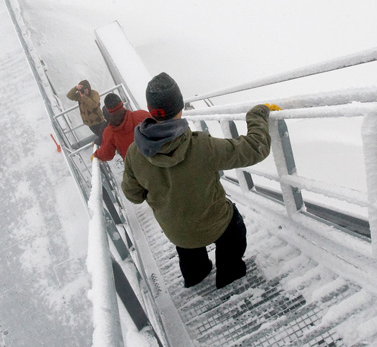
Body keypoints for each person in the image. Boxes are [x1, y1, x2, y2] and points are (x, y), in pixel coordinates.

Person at [122, 72, 278, 290]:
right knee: (234, 228)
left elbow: (133, 196)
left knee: (186, 243)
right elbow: (254, 149)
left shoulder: (134, 153)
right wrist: (258, 115)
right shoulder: (202, 146)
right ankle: (229, 274)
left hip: (176, 230)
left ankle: (196, 276)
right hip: (214, 223)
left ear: (150, 110)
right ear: (180, 107)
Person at [93, 94, 151, 162]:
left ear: (108, 110)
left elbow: (106, 154)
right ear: (121, 103)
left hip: (135, 166)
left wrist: (96, 154)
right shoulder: (141, 115)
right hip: (155, 158)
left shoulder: (109, 132)